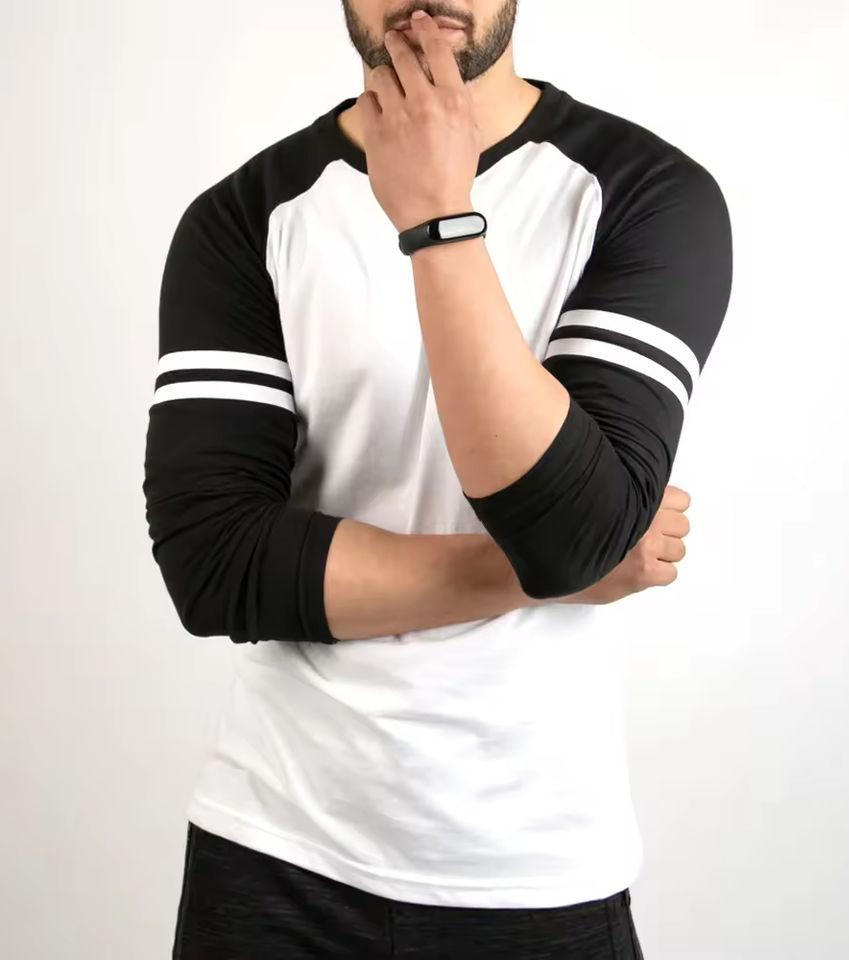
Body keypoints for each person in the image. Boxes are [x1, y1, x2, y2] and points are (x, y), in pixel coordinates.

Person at [143, 1, 732, 956]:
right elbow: (216, 567)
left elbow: (569, 529)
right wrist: (545, 571)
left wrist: (438, 222)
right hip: (274, 851)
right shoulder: (245, 218)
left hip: (536, 868)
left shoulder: (645, 195)